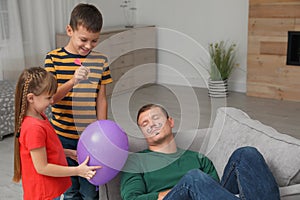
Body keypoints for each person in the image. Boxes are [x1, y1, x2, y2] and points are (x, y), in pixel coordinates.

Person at [120, 104, 280, 200]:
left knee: (246, 153)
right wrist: (172, 191)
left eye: (156, 118)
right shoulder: (136, 161)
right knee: (193, 178)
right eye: (145, 123)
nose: (152, 125)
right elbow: (131, 198)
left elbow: (215, 192)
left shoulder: (197, 158)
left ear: (170, 122)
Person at [44, 3, 113, 199]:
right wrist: (74, 80)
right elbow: (52, 99)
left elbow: (101, 98)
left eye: (94, 41)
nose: (88, 46)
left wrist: (101, 130)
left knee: (90, 191)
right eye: (83, 39)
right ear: (69, 30)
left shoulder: (100, 60)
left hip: (89, 138)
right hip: (62, 137)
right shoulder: (53, 59)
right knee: (68, 190)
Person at [12, 67, 101, 200]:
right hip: (44, 193)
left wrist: (68, 153)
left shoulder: (39, 116)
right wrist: (78, 171)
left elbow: (46, 149)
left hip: (50, 189)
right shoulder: (33, 128)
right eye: (48, 98)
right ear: (31, 98)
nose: (52, 101)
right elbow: (42, 167)